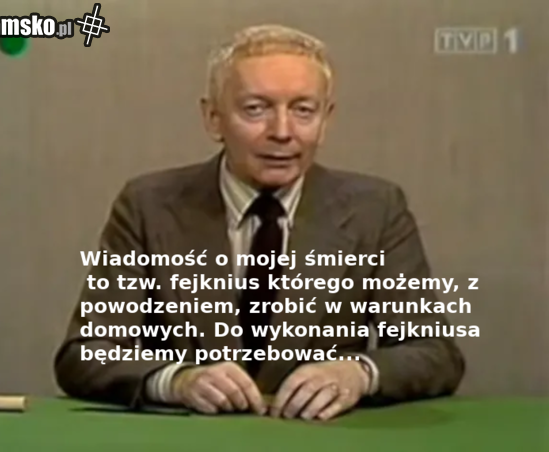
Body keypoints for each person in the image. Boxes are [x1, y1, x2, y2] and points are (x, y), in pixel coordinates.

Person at [53, 24, 465, 421]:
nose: (282, 131)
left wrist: (358, 373)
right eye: (256, 109)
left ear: (326, 120)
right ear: (213, 118)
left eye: (303, 111)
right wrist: (177, 381)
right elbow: (85, 353)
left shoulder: (376, 209)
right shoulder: (148, 205)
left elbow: (435, 352)